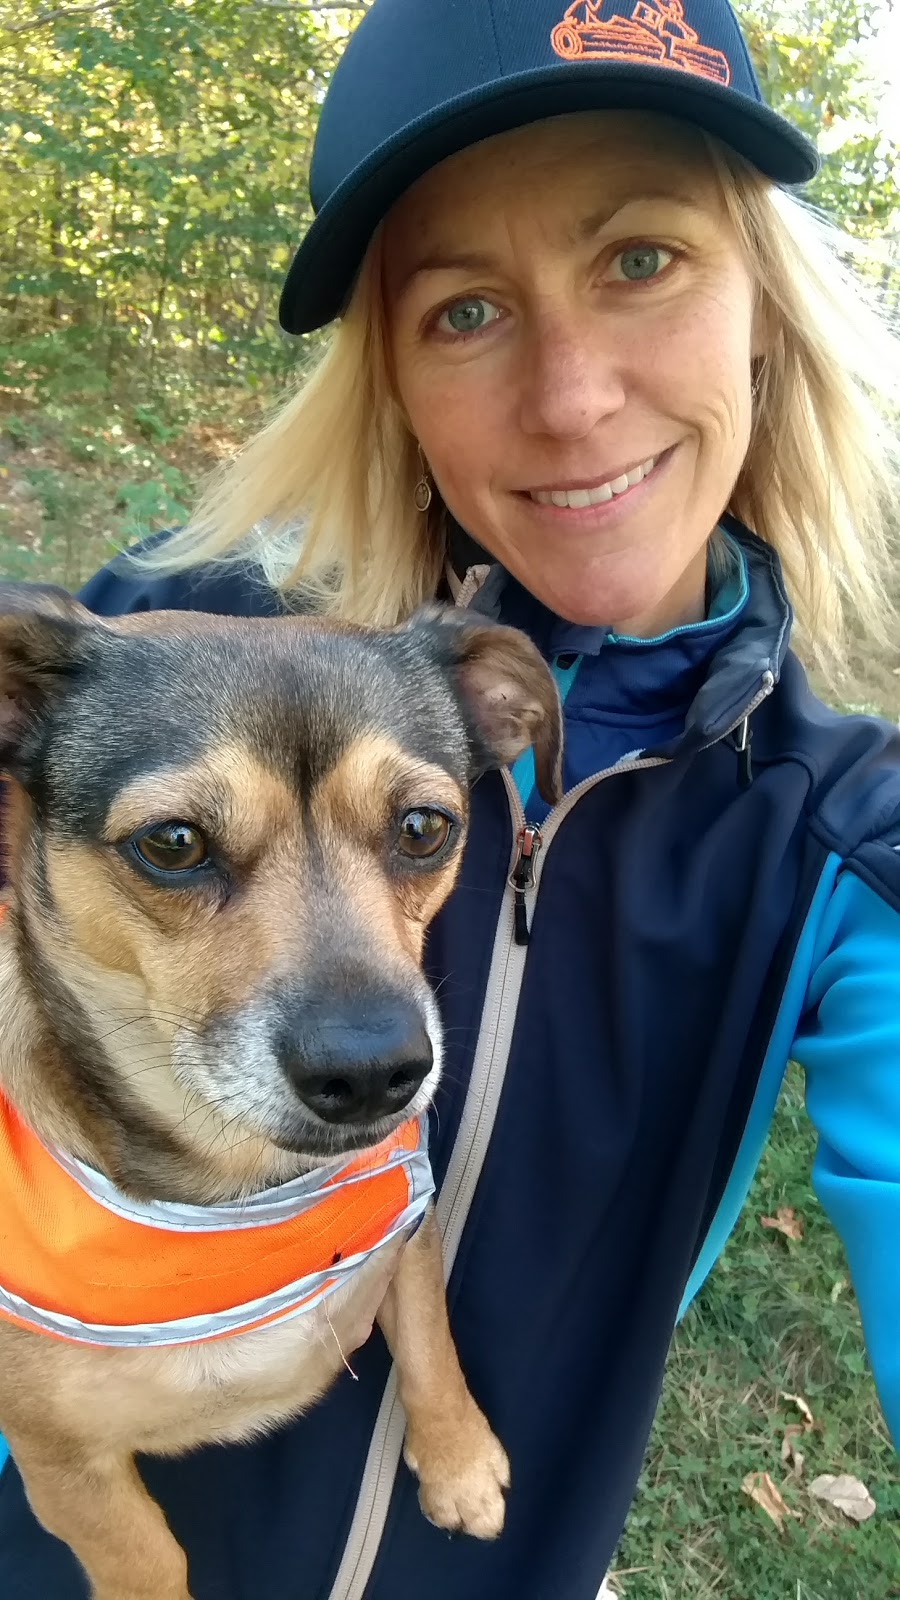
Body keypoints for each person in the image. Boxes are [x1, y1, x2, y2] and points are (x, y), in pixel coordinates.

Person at [2, 1, 899, 1596]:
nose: (572, 397)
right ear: (393, 373)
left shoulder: (845, 840)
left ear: (764, 301)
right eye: (466, 307)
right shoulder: (136, 656)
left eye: (641, 259)